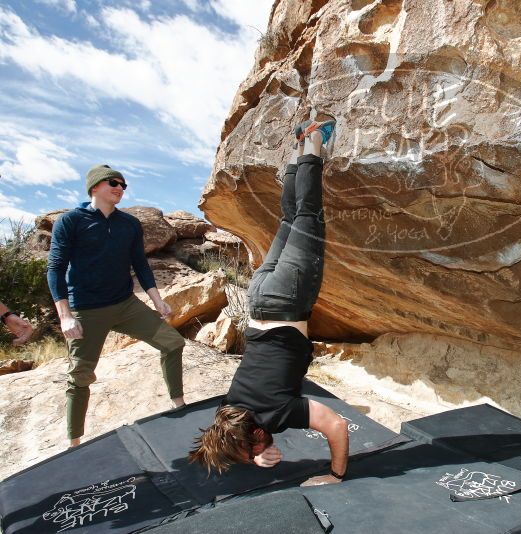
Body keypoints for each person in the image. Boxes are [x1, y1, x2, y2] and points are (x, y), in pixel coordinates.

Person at [188, 117, 347, 487]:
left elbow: (336, 426)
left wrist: (335, 475)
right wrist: (259, 453)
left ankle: (314, 141)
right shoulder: (227, 409)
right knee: (291, 217)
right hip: (258, 294)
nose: (254, 455)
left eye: (250, 452)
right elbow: (231, 438)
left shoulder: (277, 416)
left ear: (255, 437)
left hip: (287, 298)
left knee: (308, 215)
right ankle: (297, 149)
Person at [47, 164, 186, 447]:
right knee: (80, 377)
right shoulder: (71, 221)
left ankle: (180, 406)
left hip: (125, 304)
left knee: (173, 343)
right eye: (114, 183)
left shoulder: (130, 224)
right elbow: (56, 267)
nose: (120, 188)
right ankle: (74, 444)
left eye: (124, 185)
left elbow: (140, 264)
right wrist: (65, 316)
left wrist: (157, 300)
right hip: (87, 310)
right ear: (95, 187)